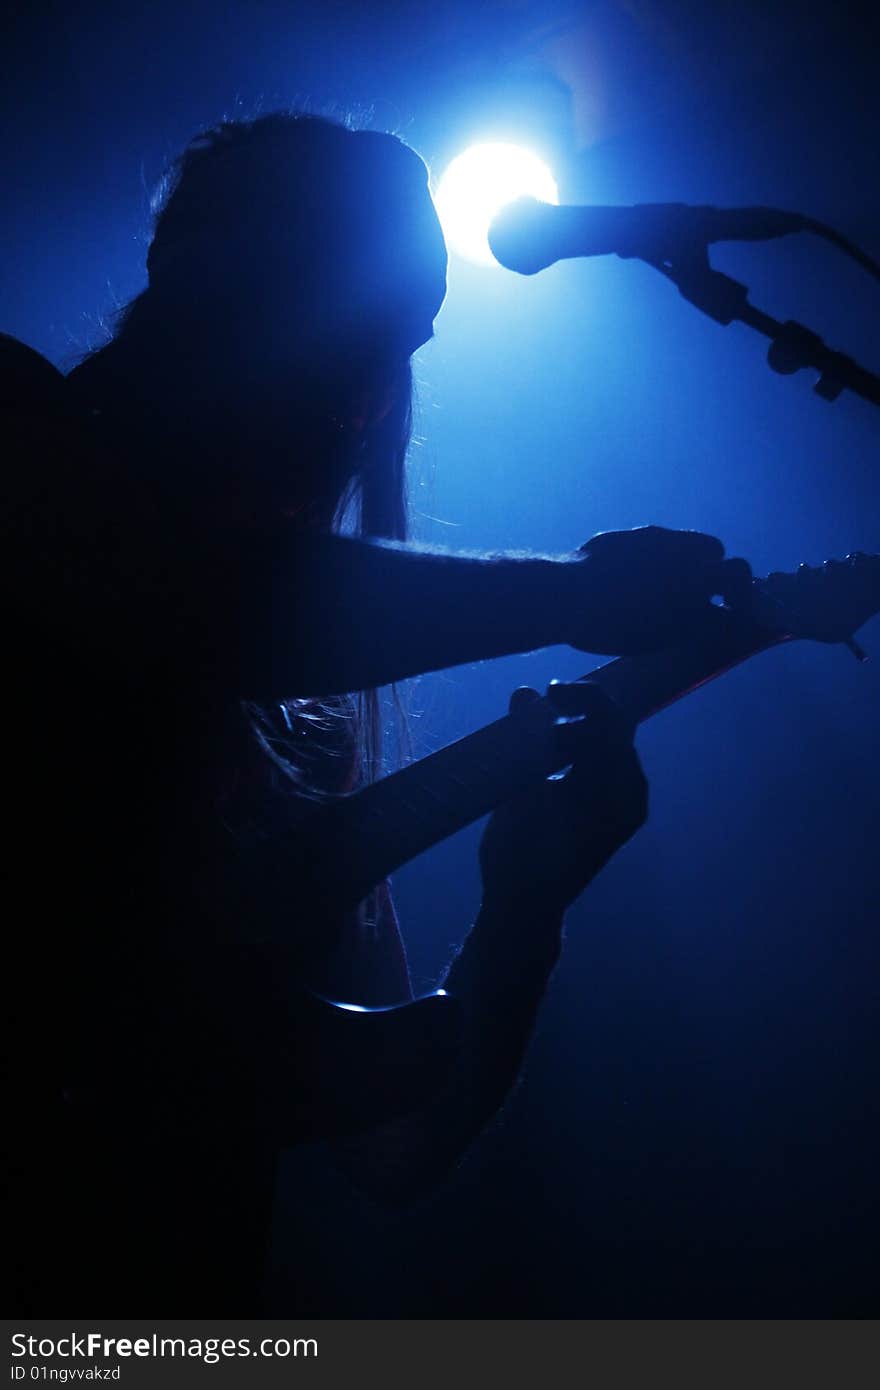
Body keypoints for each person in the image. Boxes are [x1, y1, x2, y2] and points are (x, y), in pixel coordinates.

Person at [4, 112, 751, 1314]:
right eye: (340, 315)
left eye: (398, 340)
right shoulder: (18, 434)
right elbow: (186, 592)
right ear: (192, 273)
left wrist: (528, 905)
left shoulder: (305, 728)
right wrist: (576, 594)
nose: (359, 388)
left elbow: (393, 1151)